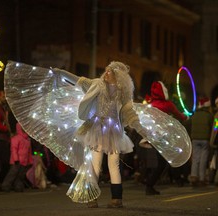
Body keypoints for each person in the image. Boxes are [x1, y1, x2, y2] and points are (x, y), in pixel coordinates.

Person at [53, 61, 150, 208]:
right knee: (95, 164)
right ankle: (92, 198)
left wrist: (142, 130)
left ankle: (117, 199)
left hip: (113, 131)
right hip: (98, 130)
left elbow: (131, 114)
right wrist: (61, 73)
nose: (106, 72)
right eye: (106, 70)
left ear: (118, 76)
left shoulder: (123, 94)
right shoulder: (97, 84)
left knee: (114, 164)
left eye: (110, 71)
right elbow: (78, 80)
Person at [138, 81, 188, 195]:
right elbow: (179, 115)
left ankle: (150, 183)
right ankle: (150, 184)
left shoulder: (150, 105)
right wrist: (186, 117)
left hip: (152, 137)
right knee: (166, 160)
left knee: (157, 161)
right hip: (164, 137)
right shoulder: (167, 104)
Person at [189, 97, 213, 186]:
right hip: (205, 139)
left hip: (195, 139)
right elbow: (214, 126)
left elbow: (189, 124)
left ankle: (194, 176)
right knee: (203, 159)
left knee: (195, 158)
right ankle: (202, 178)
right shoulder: (209, 115)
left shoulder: (194, 115)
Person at [2, 122, 33, 192]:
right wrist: (16, 159)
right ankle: (6, 185)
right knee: (12, 174)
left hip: (24, 161)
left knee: (20, 175)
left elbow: (29, 152)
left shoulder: (28, 139)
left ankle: (18, 186)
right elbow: (14, 149)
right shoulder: (16, 138)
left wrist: (30, 161)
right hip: (16, 161)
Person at [209, 97, 218, 186]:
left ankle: (213, 179)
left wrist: (212, 141)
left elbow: (215, 129)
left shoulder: (217, 116)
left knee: (216, 160)